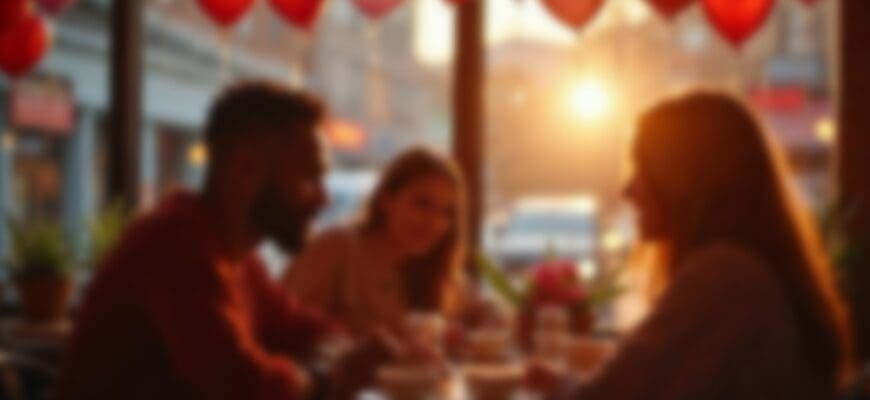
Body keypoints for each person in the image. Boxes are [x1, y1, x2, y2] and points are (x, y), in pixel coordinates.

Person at [530, 91, 853, 400]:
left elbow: (606, 398)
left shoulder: (723, 277)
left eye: (644, 170)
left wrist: (555, 383)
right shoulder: (745, 270)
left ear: (683, 181)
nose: (626, 190)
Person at [57, 82, 340, 400]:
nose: (324, 199)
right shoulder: (174, 242)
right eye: (309, 177)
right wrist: (328, 378)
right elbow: (239, 383)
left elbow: (297, 328)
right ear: (245, 170)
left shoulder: (235, 253)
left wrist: (355, 349)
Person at [283, 148, 467, 338]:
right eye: (421, 204)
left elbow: (477, 305)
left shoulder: (429, 270)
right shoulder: (338, 248)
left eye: (446, 212)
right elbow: (288, 329)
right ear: (386, 201)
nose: (433, 222)